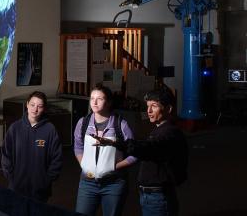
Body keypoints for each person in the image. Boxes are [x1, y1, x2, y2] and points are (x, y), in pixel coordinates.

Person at [91, 88, 188, 216]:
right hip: (152, 196)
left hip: (158, 197)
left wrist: (115, 143)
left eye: (154, 106)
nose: (149, 111)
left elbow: (147, 148)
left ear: (168, 109)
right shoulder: (160, 130)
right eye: (148, 106)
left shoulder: (169, 133)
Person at [73, 84, 137, 216]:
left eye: (100, 99)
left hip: (113, 184)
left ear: (108, 102)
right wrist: (83, 164)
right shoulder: (83, 123)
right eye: (92, 98)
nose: (94, 102)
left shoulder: (121, 125)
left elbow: (135, 153)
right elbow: (78, 146)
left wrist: (114, 166)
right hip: (87, 183)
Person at [1, 91, 63, 202]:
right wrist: (11, 176)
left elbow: (57, 157)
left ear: (44, 108)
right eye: (33, 105)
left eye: (39, 106)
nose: (35, 109)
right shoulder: (15, 128)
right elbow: (6, 153)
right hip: (17, 186)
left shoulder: (50, 130)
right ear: (27, 104)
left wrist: (47, 179)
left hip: (40, 189)